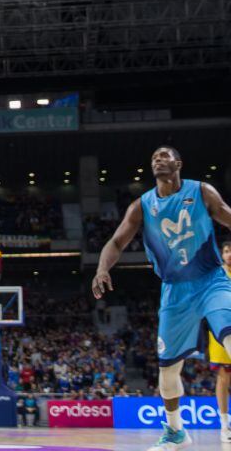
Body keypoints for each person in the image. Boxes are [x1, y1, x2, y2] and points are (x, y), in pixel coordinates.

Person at [93, 146, 231, 450]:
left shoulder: (202, 192)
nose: (157, 160)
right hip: (175, 290)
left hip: (211, 281)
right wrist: (102, 268)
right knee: (167, 370)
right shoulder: (142, 206)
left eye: (164, 156)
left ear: (178, 163)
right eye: (154, 157)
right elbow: (115, 242)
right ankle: (175, 431)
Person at [209, 240, 231, 435]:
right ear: (222, 254)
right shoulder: (217, 274)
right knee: (224, 378)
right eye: (226, 251)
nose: (229, 254)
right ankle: (224, 423)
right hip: (221, 329)